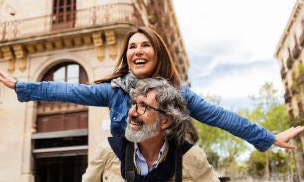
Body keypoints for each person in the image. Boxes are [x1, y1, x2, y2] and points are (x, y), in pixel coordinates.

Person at [0, 26, 304, 152]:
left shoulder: (177, 95)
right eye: (132, 46)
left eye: (145, 45)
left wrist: (269, 137)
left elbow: (220, 116)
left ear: (156, 53)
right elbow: (67, 91)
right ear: (127, 56)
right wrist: (23, 86)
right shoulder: (115, 92)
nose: (138, 50)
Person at [82, 77, 219, 182]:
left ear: (165, 120)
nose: (131, 112)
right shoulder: (108, 150)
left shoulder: (192, 156)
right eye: (134, 103)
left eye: (144, 106)